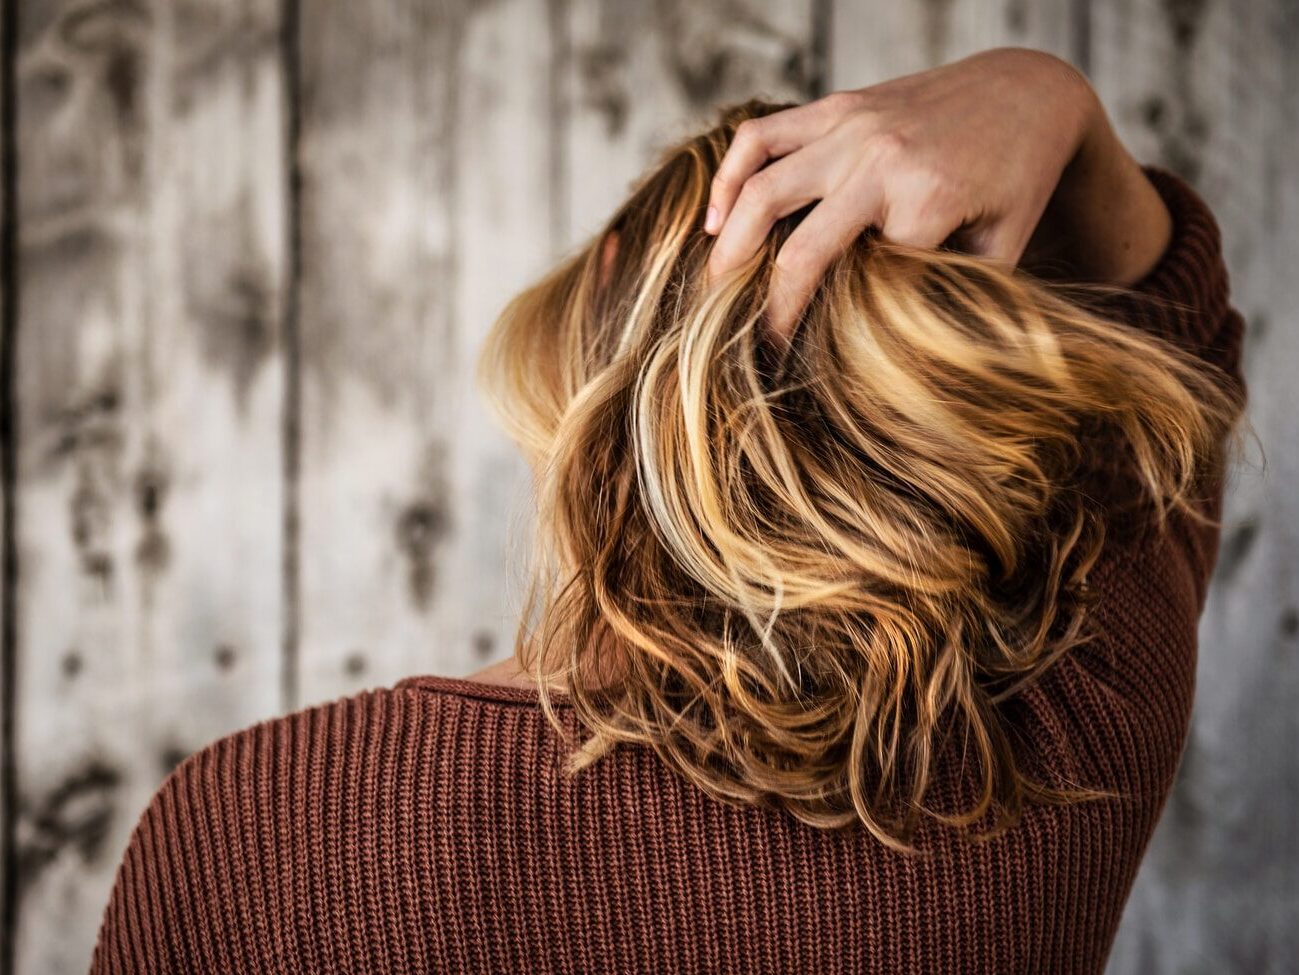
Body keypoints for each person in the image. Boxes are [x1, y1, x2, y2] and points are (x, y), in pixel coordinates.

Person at [89, 47, 1248, 974]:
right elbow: (1179, 348)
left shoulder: (249, 834)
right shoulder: (1063, 743)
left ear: (595, 331)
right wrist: (1049, 97)